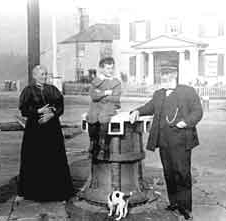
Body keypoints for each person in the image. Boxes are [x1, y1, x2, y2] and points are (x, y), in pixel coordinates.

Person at [129, 72, 203, 220]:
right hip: (164, 141)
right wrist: (136, 111)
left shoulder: (187, 91)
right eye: (163, 78)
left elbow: (198, 112)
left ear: (175, 77)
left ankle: (185, 207)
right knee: (168, 173)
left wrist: (186, 122)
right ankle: (174, 202)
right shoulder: (159, 94)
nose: (166, 80)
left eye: (169, 78)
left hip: (181, 140)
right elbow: (149, 107)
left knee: (182, 174)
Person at [17, 65, 74, 202]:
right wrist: (38, 111)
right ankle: (34, 192)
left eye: (45, 74)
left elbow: (61, 106)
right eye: (41, 74)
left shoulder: (53, 89)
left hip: (52, 130)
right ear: (34, 76)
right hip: (35, 131)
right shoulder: (28, 91)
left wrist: (52, 114)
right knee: (35, 159)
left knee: (54, 158)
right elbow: (24, 110)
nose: (44, 76)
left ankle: (57, 192)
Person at [86, 57, 121, 159]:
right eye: (108, 68)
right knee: (92, 115)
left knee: (103, 116)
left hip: (110, 105)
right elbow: (93, 95)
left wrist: (100, 95)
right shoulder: (97, 81)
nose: (110, 71)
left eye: (112, 68)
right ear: (101, 69)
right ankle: (93, 142)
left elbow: (115, 97)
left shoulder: (116, 82)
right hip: (96, 105)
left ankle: (103, 144)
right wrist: (105, 93)